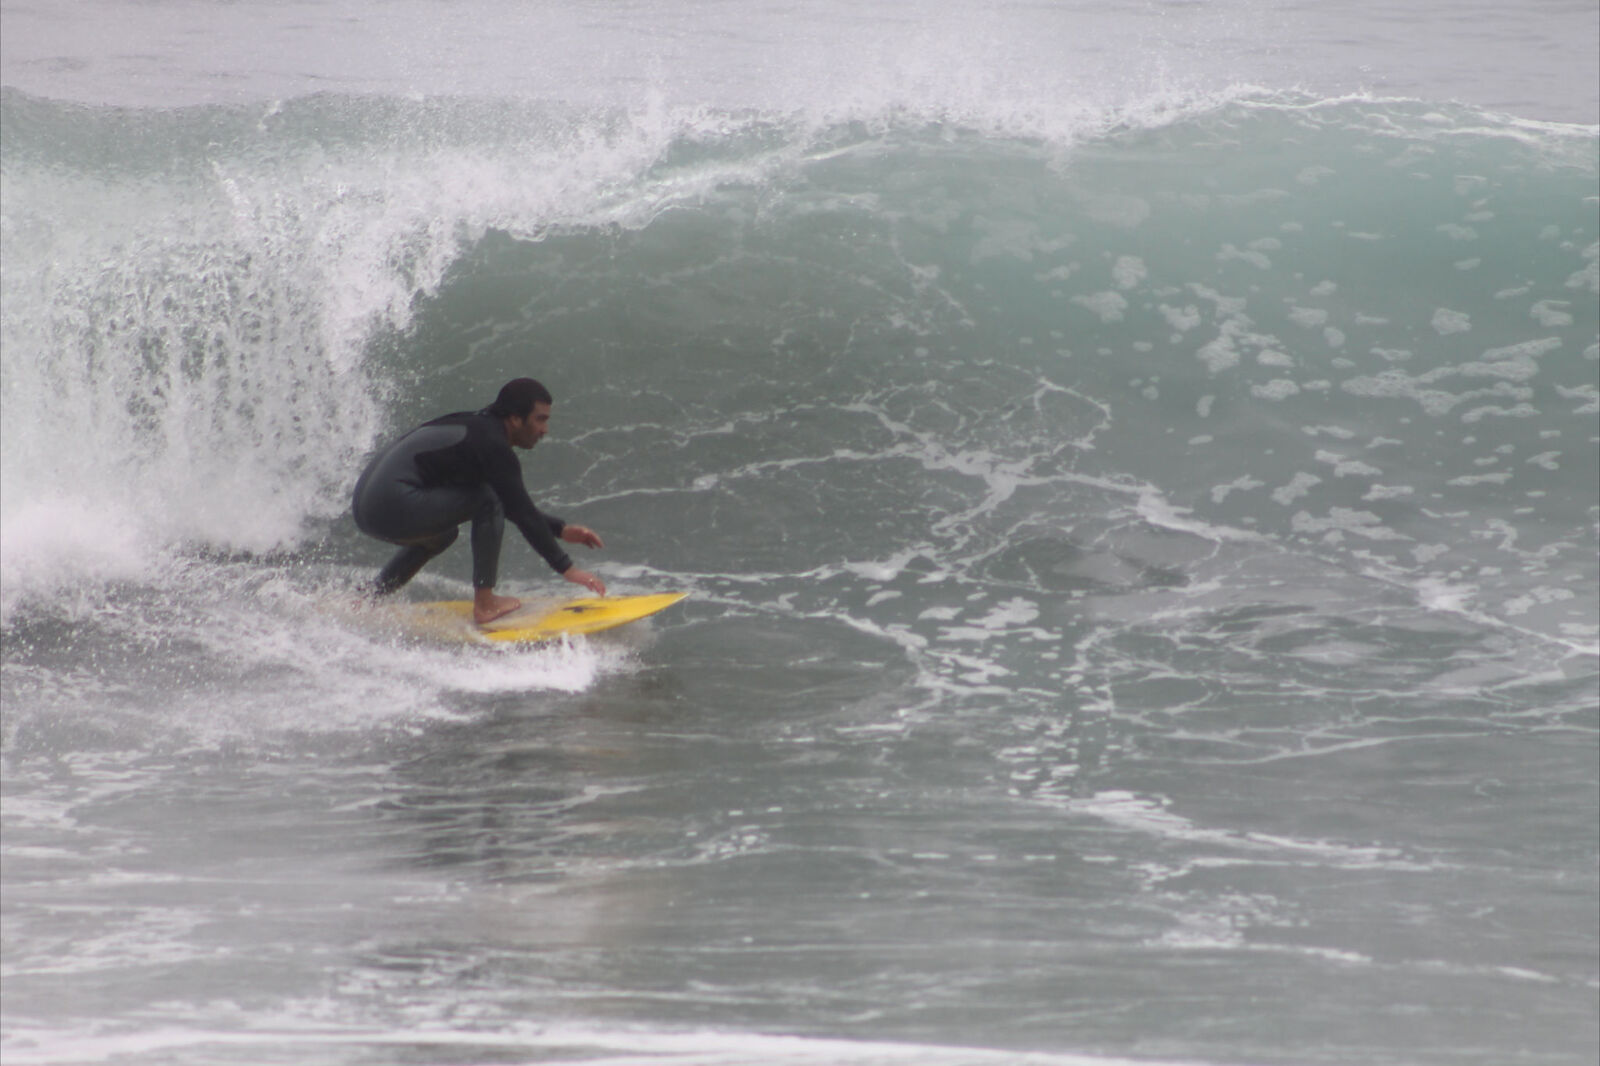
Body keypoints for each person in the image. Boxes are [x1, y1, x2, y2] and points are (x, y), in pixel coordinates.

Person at [352, 378, 606, 624]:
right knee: (487, 499)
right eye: (540, 419)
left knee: (443, 535)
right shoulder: (493, 445)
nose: (544, 430)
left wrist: (560, 530)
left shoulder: (477, 429)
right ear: (516, 419)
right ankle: (485, 604)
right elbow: (516, 510)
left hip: (367, 506)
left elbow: (516, 507)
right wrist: (568, 569)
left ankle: (368, 598)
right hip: (390, 503)